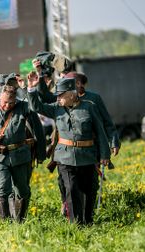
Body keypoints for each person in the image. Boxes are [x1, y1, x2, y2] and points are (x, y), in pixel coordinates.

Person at [27, 74, 110, 225]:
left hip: (87, 156)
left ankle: (88, 220)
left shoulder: (89, 106)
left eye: (61, 96)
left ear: (72, 94)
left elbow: (100, 131)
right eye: (57, 96)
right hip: (64, 157)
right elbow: (36, 106)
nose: (58, 99)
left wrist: (105, 154)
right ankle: (75, 224)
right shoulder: (56, 108)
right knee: (71, 189)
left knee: (89, 189)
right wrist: (32, 88)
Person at [0, 85, 44, 222]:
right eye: (5, 102)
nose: (7, 105)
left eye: (11, 102)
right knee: (1, 189)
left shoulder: (23, 108)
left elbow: (34, 106)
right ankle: (5, 222)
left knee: (22, 190)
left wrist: (27, 88)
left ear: (16, 100)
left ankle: (20, 221)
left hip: (19, 155)